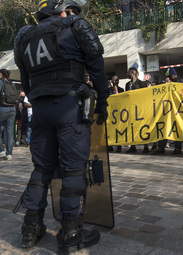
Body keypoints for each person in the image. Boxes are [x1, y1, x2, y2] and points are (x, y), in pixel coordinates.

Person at [14, 0, 109, 253]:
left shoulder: (25, 36)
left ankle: (30, 229)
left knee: (41, 169)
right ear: (62, 11)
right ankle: (70, 234)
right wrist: (103, 98)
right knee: (73, 171)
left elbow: (25, 76)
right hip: (69, 107)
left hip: (41, 109)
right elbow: (96, 66)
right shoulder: (73, 26)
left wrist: (36, 98)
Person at [152, 67, 183, 155]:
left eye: (172, 76)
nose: (172, 77)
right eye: (170, 76)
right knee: (164, 128)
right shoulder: (166, 84)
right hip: (167, 110)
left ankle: (178, 149)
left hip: (178, 111)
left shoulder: (182, 82)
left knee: (178, 128)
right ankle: (161, 148)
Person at [124, 67, 148, 153]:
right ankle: (133, 146)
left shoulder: (142, 84)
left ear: (134, 74)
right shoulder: (127, 85)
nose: (128, 75)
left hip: (140, 109)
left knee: (142, 127)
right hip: (131, 109)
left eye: (129, 73)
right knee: (132, 128)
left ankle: (146, 146)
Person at [0, 69, 16, 160]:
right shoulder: (12, 83)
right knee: (10, 132)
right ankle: (9, 154)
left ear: (1, 74)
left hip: (2, 109)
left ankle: (1, 151)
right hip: (12, 109)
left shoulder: (0, 82)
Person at [110, 75, 124, 153]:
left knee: (119, 129)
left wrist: (116, 91)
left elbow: (121, 100)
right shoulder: (108, 90)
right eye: (113, 80)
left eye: (116, 80)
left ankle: (119, 146)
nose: (115, 82)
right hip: (110, 112)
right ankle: (110, 145)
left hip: (119, 113)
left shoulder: (121, 89)